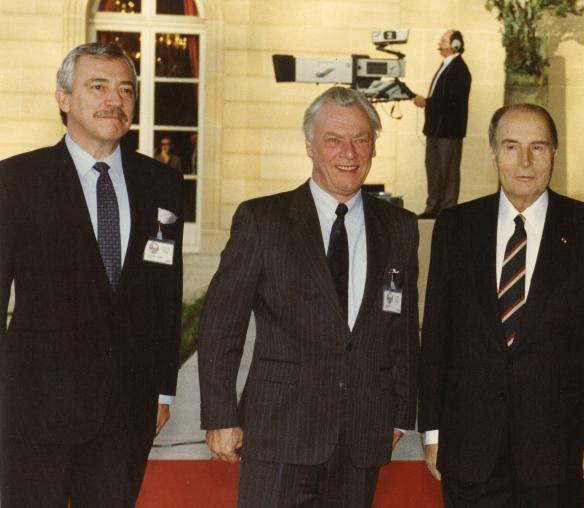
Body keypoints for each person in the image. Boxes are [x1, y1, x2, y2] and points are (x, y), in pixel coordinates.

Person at [198, 86, 419, 508]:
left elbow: (404, 331)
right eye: (333, 139)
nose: (348, 152)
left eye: (361, 139)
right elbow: (221, 323)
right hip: (279, 430)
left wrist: (400, 415)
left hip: (361, 434)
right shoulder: (263, 220)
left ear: (374, 147)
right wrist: (220, 415)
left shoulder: (400, 228)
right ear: (309, 145)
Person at [0, 42, 184, 507]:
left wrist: (163, 389)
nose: (115, 100)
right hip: (34, 407)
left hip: (127, 408)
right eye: (98, 87)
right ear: (63, 98)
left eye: (126, 89)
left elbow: (165, 294)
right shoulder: (16, 181)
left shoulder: (162, 183)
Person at [418, 104, 584, 507]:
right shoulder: (455, 227)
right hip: (469, 448)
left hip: (559, 451)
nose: (525, 161)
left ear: (554, 153)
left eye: (538, 147)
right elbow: (437, 336)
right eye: (511, 147)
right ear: (494, 153)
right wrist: (432, 430)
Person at [412, 29, 471, 219]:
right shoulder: (446, 66)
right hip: (435, 130)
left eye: (443, 40)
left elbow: (452, 101)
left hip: (448, 132)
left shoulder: (460, 69)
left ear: (454, 45)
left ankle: (447, 211)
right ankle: (433, 208)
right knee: (434, 169)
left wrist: (427, 102)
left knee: (449, 171)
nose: (439, 43)